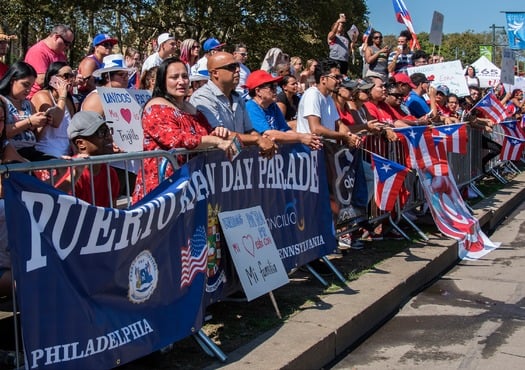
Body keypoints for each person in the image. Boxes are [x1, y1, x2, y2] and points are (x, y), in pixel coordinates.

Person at [135, 57, 236, 199]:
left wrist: (217, 133)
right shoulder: (155, 107)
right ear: (163, 81)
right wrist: (215, 141)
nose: (181, 81)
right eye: (174, 77)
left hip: (192, 185)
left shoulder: (192, 109)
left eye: (185, 76)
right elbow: (177, 140)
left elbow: (205, 133)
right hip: (163, 186)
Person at [190, 51, 277, 157]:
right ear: (215, 73)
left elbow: (249, 130)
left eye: (237, 65)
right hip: (211, 166)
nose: (238, 70)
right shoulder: (202, 97)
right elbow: (219, 135)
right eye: (232, 67)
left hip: (235, 166)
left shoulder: (237, 97)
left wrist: (264, 142)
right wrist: (257, 139)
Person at [244, 70, 321, 150]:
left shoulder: (272, 106)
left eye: (275, 86)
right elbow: (268, 134)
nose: (276, 89)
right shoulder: (251, 107)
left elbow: (285, 130)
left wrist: (310, 139)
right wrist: (301, 138)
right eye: (272, 87)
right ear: (258, 91)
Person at [57, 110, 120, 207]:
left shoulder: (110, 173)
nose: (109, 137)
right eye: (101, 133)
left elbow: (113, 214)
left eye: (108, 131)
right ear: (81, 143)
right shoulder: (70, 176)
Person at [296, 59, 360, 148]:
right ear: (323, 79)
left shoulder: (328, 98)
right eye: (336, 77)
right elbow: (316, 129)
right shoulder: (312, 95)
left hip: (325, 152)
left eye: (340, 77)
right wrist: (344, 137)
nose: (339, 81)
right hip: (311, 153)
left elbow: (339, 124)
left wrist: (350, 135)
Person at [0, 61, 54, 161]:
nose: (28, 90)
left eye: (31, 86)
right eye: (25, 85)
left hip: (31, 151)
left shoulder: (28, 104)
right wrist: (28, 122)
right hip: (10, 154)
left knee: (59, 165)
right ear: (12, 80)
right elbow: (3, 133)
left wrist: (43, 124)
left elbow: (35, 136)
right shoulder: (2, 101)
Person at [31, 61, 77, 158]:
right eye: (66, 76)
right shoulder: (42, 95)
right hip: (46, 152)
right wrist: (63, 95)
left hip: (66, 153)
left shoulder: (69, 100)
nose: (70, 80)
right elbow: (56, 122)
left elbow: (72, 130)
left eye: (72, 76)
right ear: (53, 78)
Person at [24, 25, 74, 99]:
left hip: (56, 96)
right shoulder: (38, 51)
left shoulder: (60, 53)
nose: (67, 47)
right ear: (56, 37)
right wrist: (68, 81)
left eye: (70, 45)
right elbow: (41, 79)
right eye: (66, 43)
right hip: (39, 98)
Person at [76, 33, 119, 103]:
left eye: (111, 45)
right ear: (96, 47)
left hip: (97, 95)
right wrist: (106, 94)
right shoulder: (90, 62)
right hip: (83, 97)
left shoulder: (105, 63)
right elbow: (88, 85)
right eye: (106, 44)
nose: (109, 47)